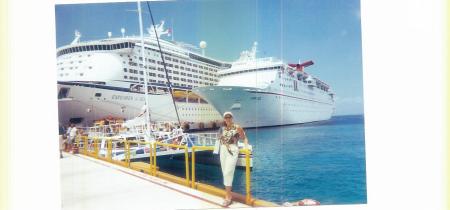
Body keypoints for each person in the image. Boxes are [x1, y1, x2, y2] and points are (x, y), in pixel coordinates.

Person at [218, 111, 248, 207]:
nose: (228, 119)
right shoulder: (222, 128)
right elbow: (219, 138)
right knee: (224, 172)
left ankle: (228, 197)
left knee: (228, 172)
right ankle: (229, 193)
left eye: (229, 117)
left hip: (232, 149)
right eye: (226, 117)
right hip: (223, 150)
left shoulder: (237, 127)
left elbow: (244, 138)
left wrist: (246, 148)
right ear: (224, 119)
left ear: (232, 118)